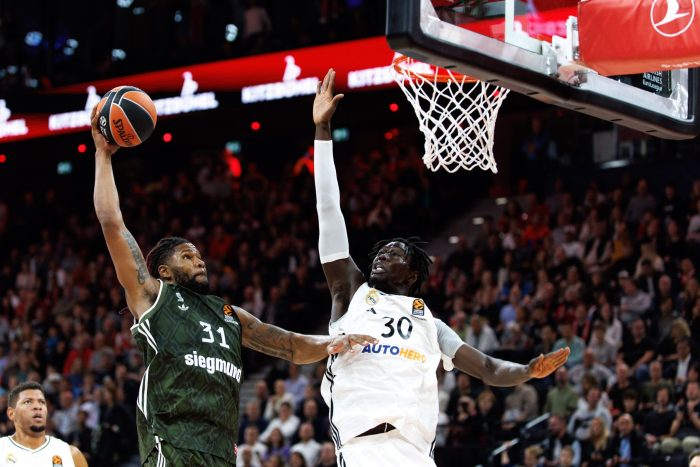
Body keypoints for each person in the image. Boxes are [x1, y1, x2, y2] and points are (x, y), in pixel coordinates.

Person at [312, 68, 570, 466]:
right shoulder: (351, 292)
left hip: (417, 454)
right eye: (380, 251)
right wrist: (323, 131)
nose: (381, 255)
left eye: (394, 252)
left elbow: (485, 367)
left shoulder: (430, 325)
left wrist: (528, 370)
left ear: (413, 274)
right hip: (365, 448)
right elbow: (328, 210)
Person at [89, 106, 374, 467]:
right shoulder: (152, 297)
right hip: (173, 446)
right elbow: (112, 222)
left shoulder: (228, 315)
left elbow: (287, 345)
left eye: (199, 256)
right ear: (164, 270)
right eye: (188, 256)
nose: (199, 261)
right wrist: (103, 154)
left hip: (222, 452)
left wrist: (331, 343)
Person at [0, 381, 88, 466]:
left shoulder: (71, 454)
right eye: (28, 402)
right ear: (11, 413)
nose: (37, 406)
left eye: (42, 402)